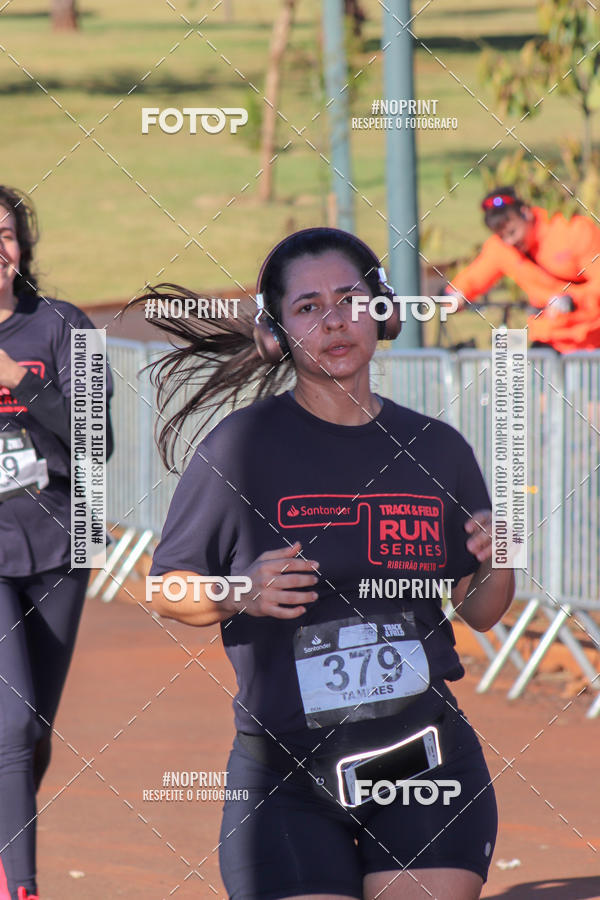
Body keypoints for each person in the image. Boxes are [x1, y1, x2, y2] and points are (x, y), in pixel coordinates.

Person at [144, 227, 515, 900]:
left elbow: (482, 611)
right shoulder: (242, 446)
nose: (335, 320)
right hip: (287, 778)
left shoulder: (436, 449)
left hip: (425, 764)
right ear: (276, 333)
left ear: (384, 310)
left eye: (350, 298)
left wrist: (501, 556)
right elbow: (166, 588)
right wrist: (239, 591)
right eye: (308, 308)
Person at [0, 185, 114, 900]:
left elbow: (96, 440)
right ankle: (22, 887)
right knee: (8, 721)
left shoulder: (64, 327)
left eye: (5, 234)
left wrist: (17, 382)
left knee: (32, 732)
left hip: (55, 545)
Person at [447, 186, 600, 352]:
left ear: (525, 212)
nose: (510, 241)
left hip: (592, 336)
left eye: (513, 232)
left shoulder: (573, 230)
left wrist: (572, 298)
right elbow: (475, 276)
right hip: (548, 337)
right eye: (503, 236)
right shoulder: (501, 247)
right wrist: (455, 295)